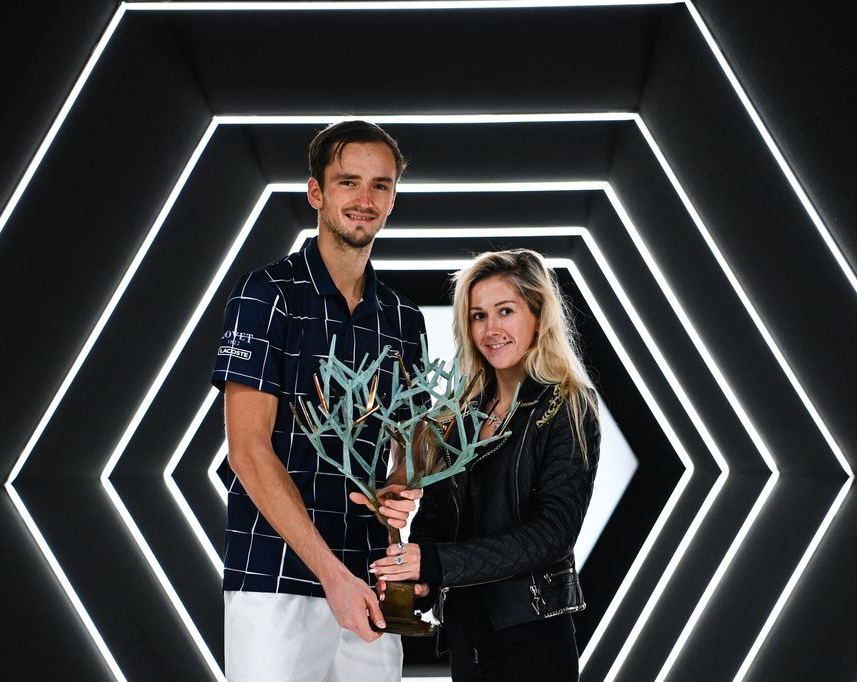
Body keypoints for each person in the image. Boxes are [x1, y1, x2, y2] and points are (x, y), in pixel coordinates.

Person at [211, 121, 426, 682]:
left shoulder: (404, 320)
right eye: (348, 182)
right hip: (276, 579)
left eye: (380, 185)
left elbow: (405, 445)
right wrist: (331, 575)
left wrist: (403, 486)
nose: (364, 199)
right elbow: (249, 452)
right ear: (316, 193)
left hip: (370, 583)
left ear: (394, 198)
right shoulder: (266, 296)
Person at [370, 249, 601, 681]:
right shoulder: (457, 414)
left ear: (538, 315)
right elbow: (436, 517)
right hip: (466, 637)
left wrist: (436, 561)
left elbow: (552, 533)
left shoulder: (566, 404)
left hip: (532, 636)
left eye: (505, 311)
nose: (490, 329)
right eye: (478, 316)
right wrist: (423, 582)